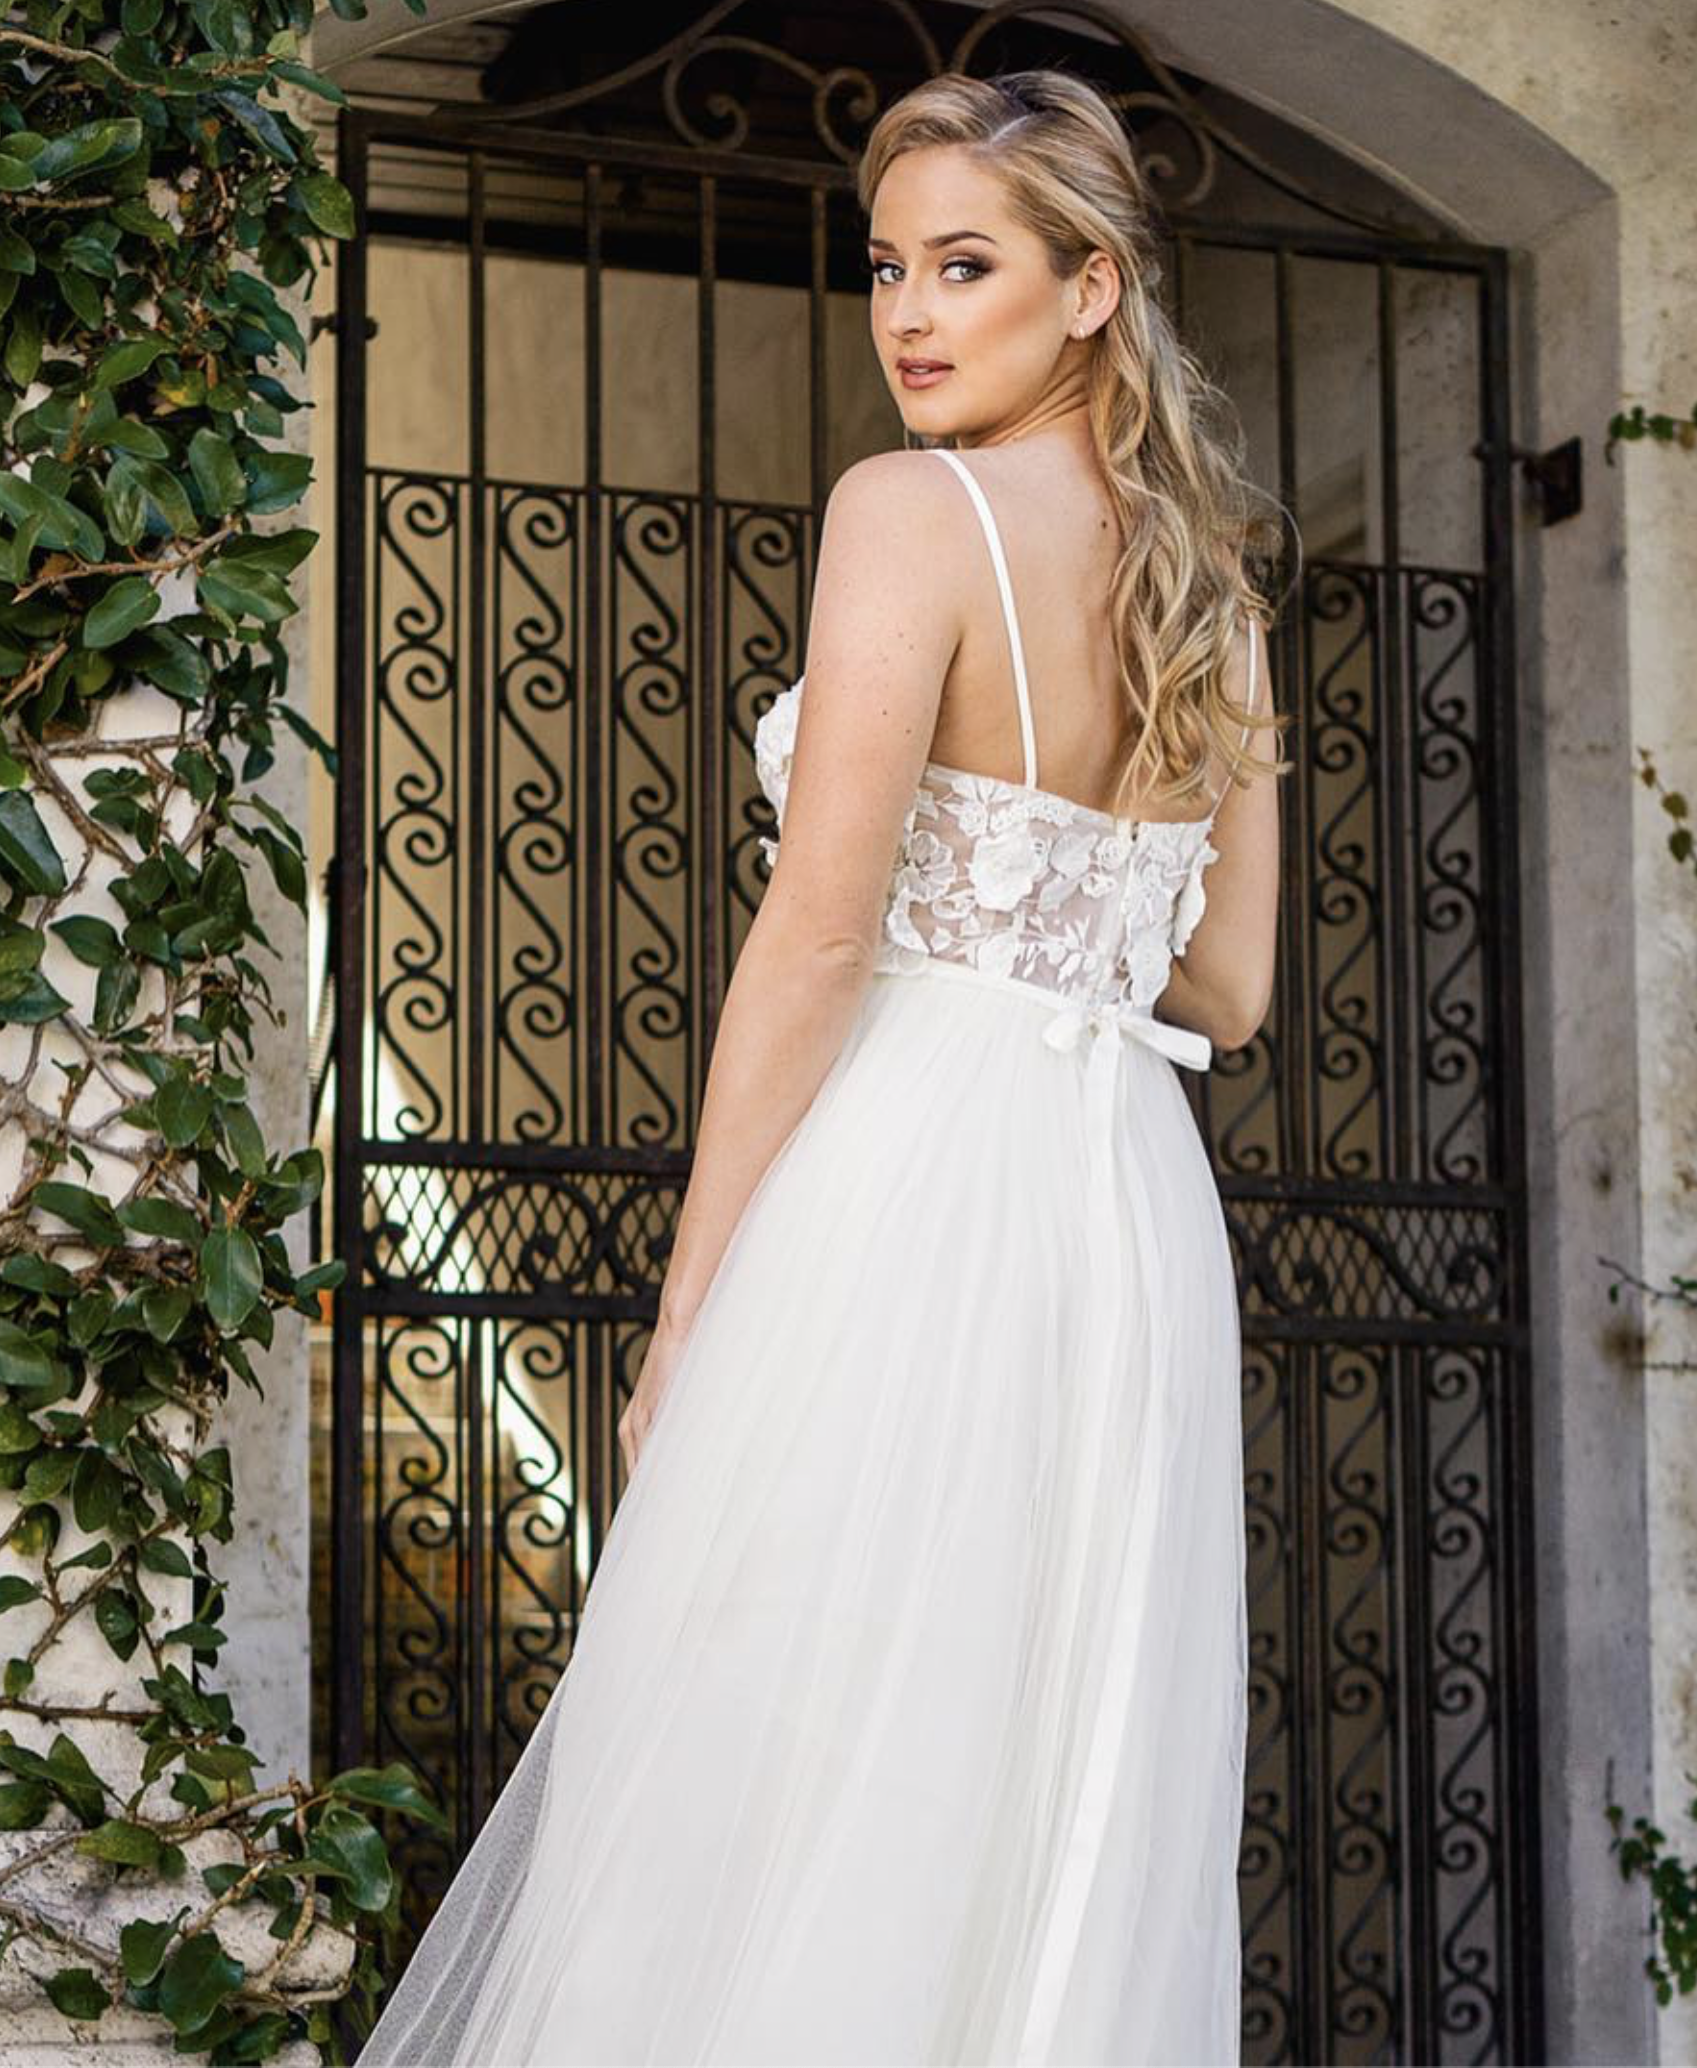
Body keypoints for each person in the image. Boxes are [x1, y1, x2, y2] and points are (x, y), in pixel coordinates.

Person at [358, 65, 1286, 2067]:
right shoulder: (1209, 584)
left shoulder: (909, 509)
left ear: (1092, 285)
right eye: (885, 268)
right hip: (1122, 1198)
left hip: (916, 1178)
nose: (908, 316)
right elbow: (1228, 981)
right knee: (1044, 1761)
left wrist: (689, 1306)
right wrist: (1068, 910)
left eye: (965, 265)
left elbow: (820, 926)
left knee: (792, 1731)